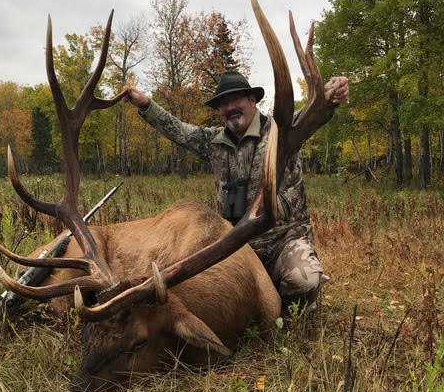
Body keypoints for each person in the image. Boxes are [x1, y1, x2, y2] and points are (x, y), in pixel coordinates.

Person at [123, 70, 348, 315]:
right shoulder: (214, 141)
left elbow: (311, 116)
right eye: (223, 103)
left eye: (235, 99)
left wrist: (329, 97)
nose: (229, 107)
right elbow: (178, 130)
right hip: (236, 248)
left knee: (303, 281)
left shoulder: (282, 131)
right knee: (194, 291)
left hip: (283, 241)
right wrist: (146, 104)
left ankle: (290, 308)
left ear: (253, 100)